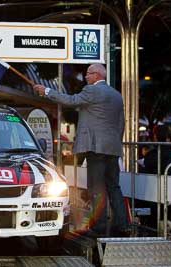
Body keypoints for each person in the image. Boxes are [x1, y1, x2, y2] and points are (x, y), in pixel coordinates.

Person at [33, 64, 129, 237]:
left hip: (96, 147)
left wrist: (46, 91)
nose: (86, 77)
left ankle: (98, 226)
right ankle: (123, 224)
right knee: (114, 186)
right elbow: (121, 122)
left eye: (88, 74)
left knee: (96, 187)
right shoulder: (116, 95)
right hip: (113, 147)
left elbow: (71, 101)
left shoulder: (92, 91)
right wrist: (116, 141)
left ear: (97, 75)